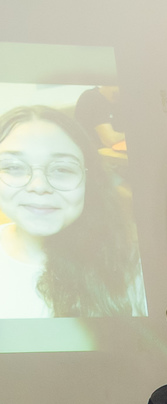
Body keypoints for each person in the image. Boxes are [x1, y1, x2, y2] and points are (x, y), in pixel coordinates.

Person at [0, 105, 143, 318]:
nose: (39, 186)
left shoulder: (131, 263)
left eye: (62, 169)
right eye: (13, 167)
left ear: (89, 180)